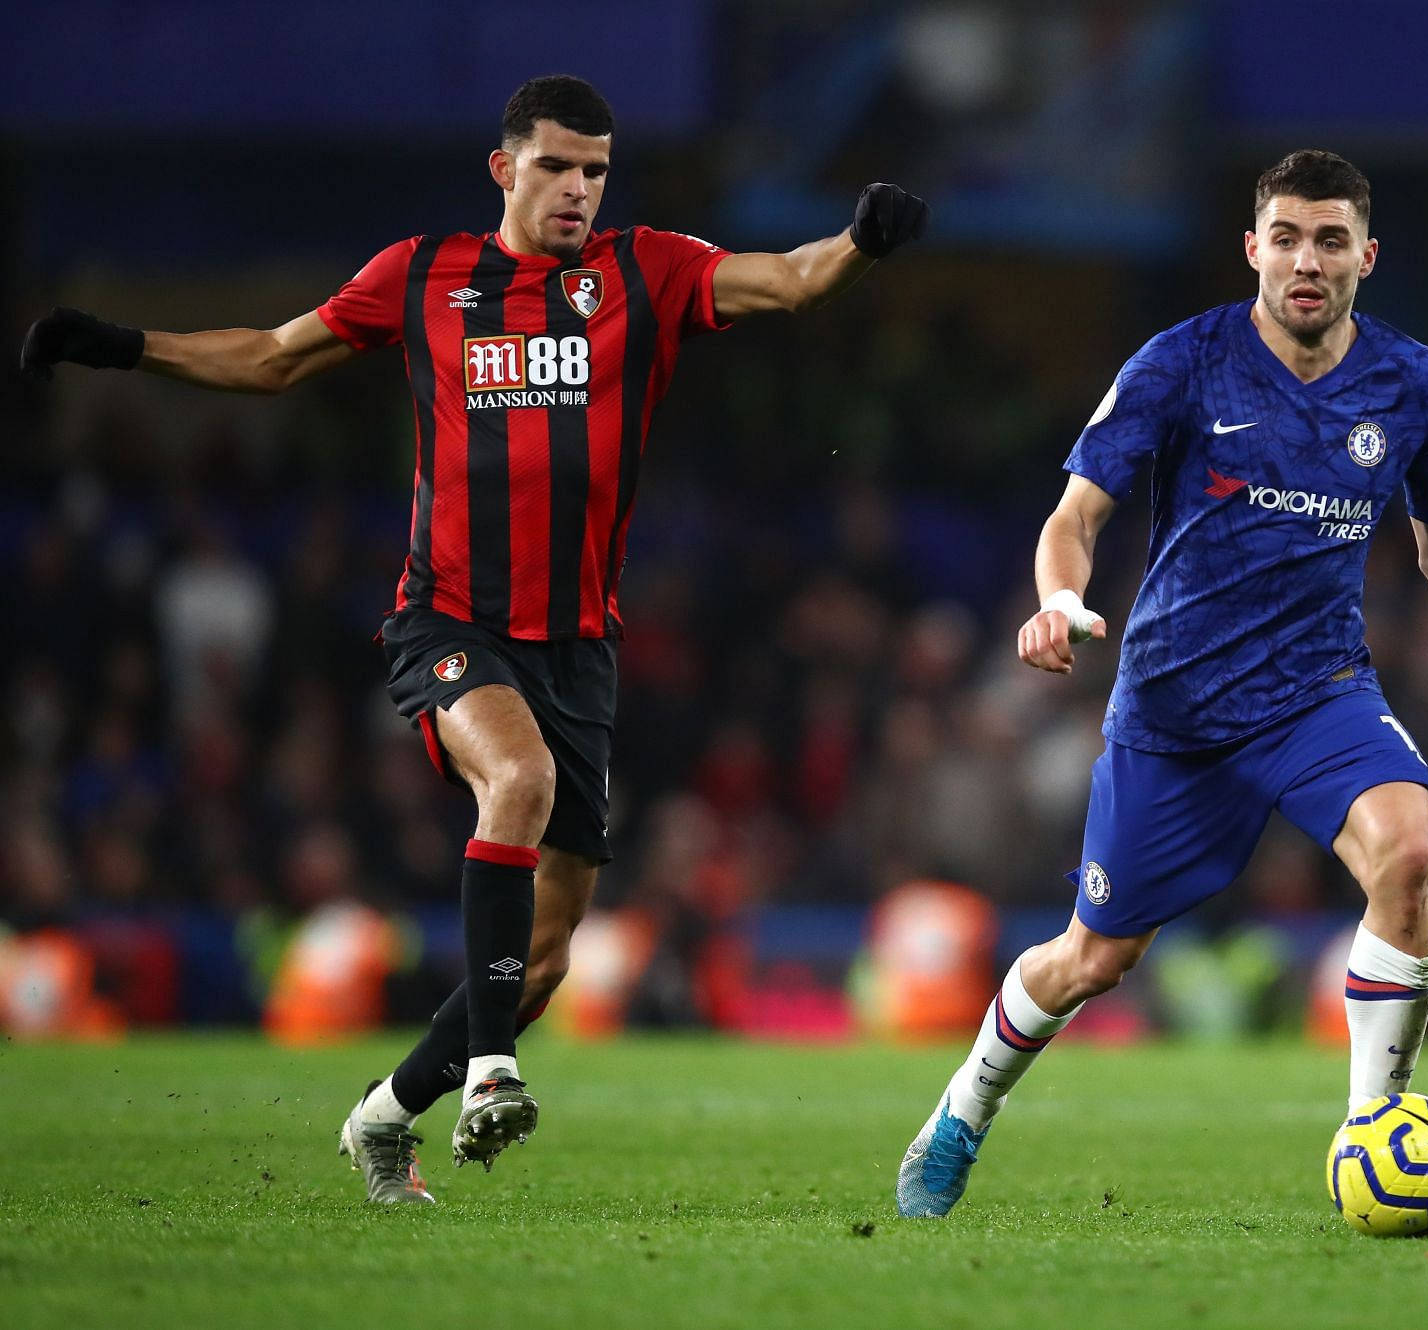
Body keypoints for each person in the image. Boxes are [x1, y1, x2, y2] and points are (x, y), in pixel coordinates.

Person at [22, 74, 928, 1205]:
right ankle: (493, 1069)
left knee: (540, 961)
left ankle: (385, 1113)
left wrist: (860, 240)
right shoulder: (422, 278)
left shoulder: (646, 269)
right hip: (451, 619)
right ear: (505, 168)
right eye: (556, 166)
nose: (579, 190)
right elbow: (270, 356)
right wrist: (119, 346)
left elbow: (789, 282)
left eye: (596, 170)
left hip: (580, 645)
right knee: (521, 777)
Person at [895, 149, 1428, 1218]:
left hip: (1318, 689)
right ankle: (961, 1113)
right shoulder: (1181, 362)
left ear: (1367, 256)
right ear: (1253, 248)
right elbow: (1075, 516)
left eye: (1332, 239)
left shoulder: (1414, 383)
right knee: (1092, 958)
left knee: (1407, 852)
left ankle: (1373, 1129)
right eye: (1289, 238)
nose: (1309, 260)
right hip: (1175, 705)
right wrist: (1060, 600)